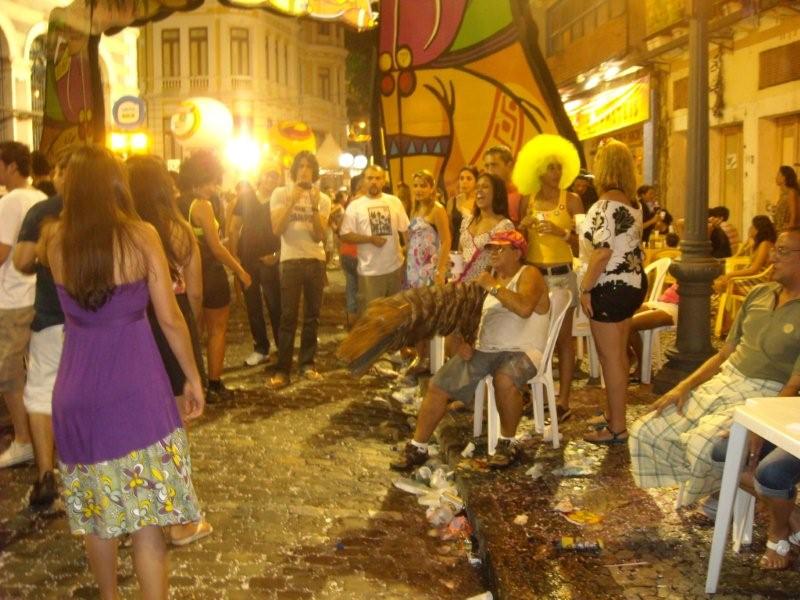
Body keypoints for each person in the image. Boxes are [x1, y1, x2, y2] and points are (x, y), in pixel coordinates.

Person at [41, 145, 205, 599]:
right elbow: (170, 318)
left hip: (76, 392)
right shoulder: (140, 236)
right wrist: (192, 377)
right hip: (137, 390)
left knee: (99, 520)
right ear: (116, 184)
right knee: (148, 524)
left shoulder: (55, 242)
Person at [629, 227, 800, 512]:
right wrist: (682, 387)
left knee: (705, 445)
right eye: (774, 250)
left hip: (764, 394)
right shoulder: (759, 294)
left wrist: (763, 426)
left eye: (782, 251)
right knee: (647, 429)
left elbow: (793, 385)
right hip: (725, 381)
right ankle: (721, 485)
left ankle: (735, 492)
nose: (772, 257)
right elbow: (724, 353)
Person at [391, 230, 550, 470]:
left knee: (504, 379)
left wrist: (493, 286)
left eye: (500, 248)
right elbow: (468, 316)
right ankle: (418, 446)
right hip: (486, 349)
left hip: (524, 349)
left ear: (517, 253)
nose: (493, 253)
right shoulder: (489, 278)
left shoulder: (529, 273)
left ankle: (508, 442)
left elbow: (524, 308)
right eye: (491, 249)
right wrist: (461, 340)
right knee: (438, 384)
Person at [127, 154, 212, 546]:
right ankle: (178, 520)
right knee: (174, 428)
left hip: (135, 328)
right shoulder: (179, 230)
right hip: (173, 326)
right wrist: (192, 332)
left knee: (136, 428)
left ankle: (136, 514)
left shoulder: (125, 233)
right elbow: (195, 293)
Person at [11, 149, 69, 508]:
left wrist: (40, 264)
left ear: (61, 173)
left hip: (50, 317)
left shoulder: (44, 211)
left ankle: (47, 475)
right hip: (96, 320)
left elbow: (21, 260)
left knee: (41, 393)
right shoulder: (111, 210)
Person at [579, 139, 646, 445]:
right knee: (618, 356)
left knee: (610, 359)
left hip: (609, 286)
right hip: (632, 283)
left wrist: (585, 287)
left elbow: (602, 252)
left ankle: (617, 427)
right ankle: (614, 415)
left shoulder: (603, 206)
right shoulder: (634, 205)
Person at [515, 134, 582, 422]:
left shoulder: (572, 201)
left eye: (559, 167)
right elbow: (518, 245)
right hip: (534, 276)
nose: (556, 172)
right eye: (550, 167)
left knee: (564, 340)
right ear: (538, 170)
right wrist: (521, 227)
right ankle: (537, 395)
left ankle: (563, 399)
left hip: (562, 275)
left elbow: (585, 245)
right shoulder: (527, 201)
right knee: (534, 339)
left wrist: (561, 233)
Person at [184, 151, 252, 400]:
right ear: (200, 179)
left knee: (193, 330)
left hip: (187, 273)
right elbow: (215, 247)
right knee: (217, 330)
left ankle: (193, 382)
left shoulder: (178, 202)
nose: (214, 188)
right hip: (210, 273)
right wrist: (239, 270)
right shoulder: (202, 205)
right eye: (211, 182)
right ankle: (214, 384)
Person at [0, 141, 47, 468]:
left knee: (8, 372)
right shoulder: (41, 198)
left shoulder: (11, 201)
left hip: (13, 298)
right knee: (38, 373)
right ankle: (40, 437)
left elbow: (2, 252)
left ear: (12, 166)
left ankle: (23, 439)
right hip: (38, 295)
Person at [269, 151, 331, 389]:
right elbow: (277, 229)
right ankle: (282, 369)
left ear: (314, 172)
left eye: (309, 167)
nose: (305, 171)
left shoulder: (322, 199)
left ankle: (307, 363)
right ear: (294, 170)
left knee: (312, 317)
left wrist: (313, 207)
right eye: (301, 166)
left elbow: (319, 236)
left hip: (315, 260)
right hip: (291, 260)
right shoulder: (280, 193)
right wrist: (292, 202)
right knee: (288, 317)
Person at [229, 169, 282, 367]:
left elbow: (286, 229)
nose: (270, 179)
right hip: (248, 258)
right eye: (268, 174)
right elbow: (234, 228)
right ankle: (261, 348)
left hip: (271, 258)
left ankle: (281, 346)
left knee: (275, 304)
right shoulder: (246, 198)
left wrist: (278, 255)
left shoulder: (280, 199)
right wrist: (234, 257)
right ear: (260, 177)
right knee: (253, 305)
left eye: (274, 176)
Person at [339, 165, 409, 313]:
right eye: (370, 178)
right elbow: (344, 235)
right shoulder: (355, 206)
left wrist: (407, 260)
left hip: (395, 269)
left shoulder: (394, 201)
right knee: (372, 317)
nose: (374, 182)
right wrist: (370, 239)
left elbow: (406, 231)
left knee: (396, 315)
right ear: (364, 180)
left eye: (378, 178)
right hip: (369, 272)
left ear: (384, 181)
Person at [404, 170, 451, 376]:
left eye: (423, 185)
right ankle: (420, 355)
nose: (419, 189)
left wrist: (440, 269)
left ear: (432, 188)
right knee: (416, 315)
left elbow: (446, 240)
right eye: (416, 185)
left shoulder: (438, 210)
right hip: (413, 269)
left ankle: (431, 358)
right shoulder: (415, 208)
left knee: (429, 315)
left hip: (429, 269)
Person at [457, 172, 515, 283]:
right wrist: (455, 277)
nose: (479, 190)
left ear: (497, 192)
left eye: (485, 187)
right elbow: (459, 252)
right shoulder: (468, 221)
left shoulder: (504, 225)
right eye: (477, 187)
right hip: (461, 286)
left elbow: (504, 265)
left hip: (485, 287)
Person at [627, 283, 679, 383]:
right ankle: (630, 355)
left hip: (676, 307)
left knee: (629, 325)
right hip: (660, 303)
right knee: (620, 317)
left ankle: (643, 365)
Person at [712, 215, 775, 294]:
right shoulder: (759, 243)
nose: (750, 229)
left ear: (758, 230)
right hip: (754, 277)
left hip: (759, 281)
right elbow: (742, 253)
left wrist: (730, 275)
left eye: (752, 227)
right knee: (719, 280)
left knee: (721, 284)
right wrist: (750, 240)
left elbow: (754, 270)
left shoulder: (764, 244)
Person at [484, 145, 524, 226]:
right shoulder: (484, 195)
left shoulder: (523, 194)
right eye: (487, 166)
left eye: (494, 165)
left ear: (509, 165)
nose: (489, 171)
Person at [446, 166, 479, 251]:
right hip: (454, 247)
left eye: (469, 179)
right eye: (461, 178)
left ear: (476, 182)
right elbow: (449, 230)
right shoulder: (452, 202)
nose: (464, 182)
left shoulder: (479, 202)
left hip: (472, 248)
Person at [772, 165, 800, 230]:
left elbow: (794, 214)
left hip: (787, 230)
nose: (776, 177)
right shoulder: (784, 193)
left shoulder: (791, 192)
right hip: (780, 227)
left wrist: (790, 227)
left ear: (784, 178)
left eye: (778, 175)